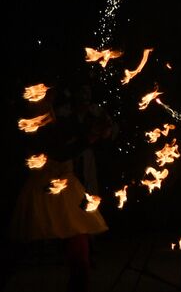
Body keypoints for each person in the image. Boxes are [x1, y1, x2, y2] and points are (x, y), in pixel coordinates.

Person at [9, 96, 108, 292]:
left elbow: (67, 145)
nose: (46, 107)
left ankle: (79, 284)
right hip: (43, 189)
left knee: (77, 237)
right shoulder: (33, 130)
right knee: (26, 241)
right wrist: (88, 138)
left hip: (67, 187)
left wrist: (93, 132)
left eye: (47, 104)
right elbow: (59, 152)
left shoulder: (59, 123)